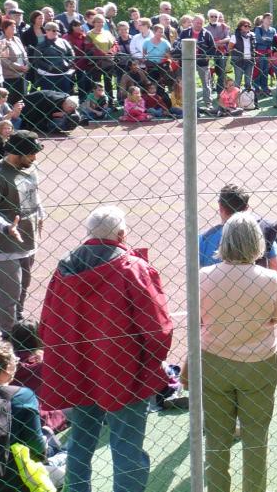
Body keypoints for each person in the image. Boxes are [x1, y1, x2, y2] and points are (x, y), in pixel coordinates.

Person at [40, 206, 173, 492]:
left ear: (88, 233)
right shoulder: (131, 268)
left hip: (79, 370)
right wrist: (153, 361)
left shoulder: (64, 268)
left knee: (80, 442)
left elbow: (47, 323)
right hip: (124, 372)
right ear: (122, 234)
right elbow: (157, 327)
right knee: (126, 446)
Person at [197, 212, 277, 492]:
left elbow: (199, 318)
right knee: (256, 438)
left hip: (214, 362)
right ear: (256, 242)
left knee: (216, 438)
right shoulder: (269, 279)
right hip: (259, 364)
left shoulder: (204, 277)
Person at [0, 131, 46, 334]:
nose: (35, 157)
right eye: (31, 153)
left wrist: (41, 213)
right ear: (18, 153)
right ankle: (8, 337)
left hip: (28, 238)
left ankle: (19, 328)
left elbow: (34, 194)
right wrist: (5, 227)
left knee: (23, 288)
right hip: (4, 243)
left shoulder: (30, 169)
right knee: (10, 293)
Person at [0, 340, 49, 492]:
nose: (17, 363)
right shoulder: (22, 396)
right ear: (7, 368)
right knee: (62, 456)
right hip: (18, 475)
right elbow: (36, 444)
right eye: (15, 360)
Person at [197, 184, 277, 274]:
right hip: (255, 284)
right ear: (246, 208)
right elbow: (276, 268)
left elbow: (196, 275)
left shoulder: (204, 238)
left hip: (216, 284)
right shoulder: (260, 232)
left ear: (220, 207)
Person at [8, 320, 68, 434]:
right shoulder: (44, 361)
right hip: (41, 414)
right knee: (75, 408)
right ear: (37, 337)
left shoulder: (6, 363)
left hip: (10, 414)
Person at [32, 23, 76, 94]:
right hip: (48, 75)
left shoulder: (64, 42)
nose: (55, 32)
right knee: (49, 96)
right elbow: (38, 60)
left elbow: (71, 54)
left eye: (56, 30)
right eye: (53, 30)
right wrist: (49, 67)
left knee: (65, 95)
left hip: (64, 73)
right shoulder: (41, 44)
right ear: (46, 31)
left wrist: (69, 63)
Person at [252, 14, 277, 96]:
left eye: (271, 19)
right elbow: (258, 40)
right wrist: (268, 40)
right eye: (268, 18)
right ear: (263, 19)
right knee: (258, 70)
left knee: (265, 71)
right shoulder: (258, 29)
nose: (269, 20)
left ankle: (264, 88)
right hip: (259, 52)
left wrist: (265, 39)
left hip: (268, 52)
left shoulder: (273, 30)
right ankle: (256, 88)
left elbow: (274, 41)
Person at [230, 18, 256, 90]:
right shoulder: (234, 36)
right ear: (240, 27)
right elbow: (230, 48)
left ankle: (247, 98)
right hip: (238, 61)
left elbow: (253, 48)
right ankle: (235, 98)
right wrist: (238, 53)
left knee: (248, 82)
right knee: (238, 80)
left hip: (250, 61)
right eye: (245, 26)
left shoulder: (252, 36)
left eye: (249, 26)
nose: (247, 27)